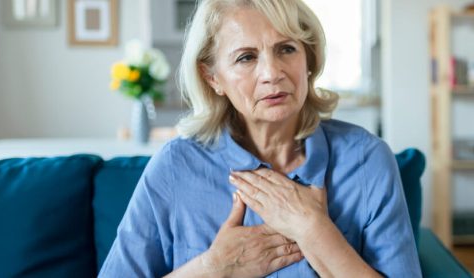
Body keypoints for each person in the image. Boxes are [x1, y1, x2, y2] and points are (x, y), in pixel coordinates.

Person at [99, 0, 421, 277]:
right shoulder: (174, 166)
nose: (272, 73)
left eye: (286, 49)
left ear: (308, 59)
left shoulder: (368, 160)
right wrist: (213, 268)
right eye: (246, 57)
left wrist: (315, 231)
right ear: (212, 77)